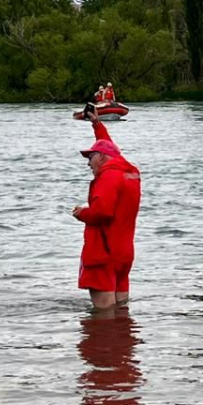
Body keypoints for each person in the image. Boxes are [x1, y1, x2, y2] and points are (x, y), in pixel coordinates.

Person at [73, 114, 142, 311]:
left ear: (102, 157)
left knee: (103, 315)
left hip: (103, 251)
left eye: (91, 157)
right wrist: (96, 124)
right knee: (120, 311)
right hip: (123, 253)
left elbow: (103, 212)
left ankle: (103, 342)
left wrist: (82, 214)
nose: (88, 163)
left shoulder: (108, 177)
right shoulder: (128, 171)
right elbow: (109, 147)